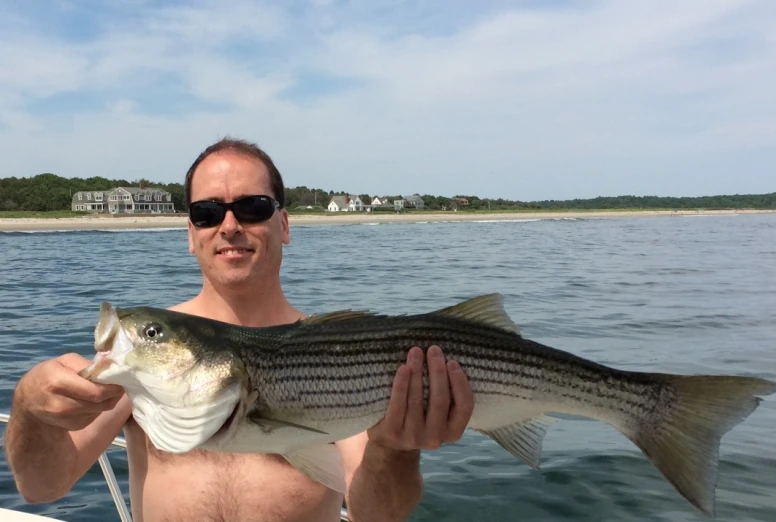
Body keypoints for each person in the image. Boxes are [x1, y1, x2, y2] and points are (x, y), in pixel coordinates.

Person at [4, 137, 476, 522]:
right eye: (207, 213)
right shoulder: (149, 349)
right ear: (191, 234)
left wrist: (394, 450)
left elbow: (377, 513)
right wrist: (29, 408)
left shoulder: (336, 353)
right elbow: (43, 486)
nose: (229, 225)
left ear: (285, 224)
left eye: (252, 207)